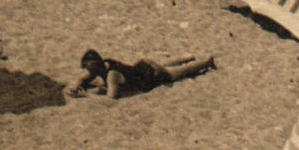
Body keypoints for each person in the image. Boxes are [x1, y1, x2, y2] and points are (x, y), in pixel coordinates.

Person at [67, 49, 215, 100]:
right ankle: (187, 57)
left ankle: (206, 62)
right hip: (141, 67)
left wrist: (85, 95)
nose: (87, 72)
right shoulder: (104, 64)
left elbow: (111, 97)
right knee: (166, 64)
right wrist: (75, 86)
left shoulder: (111, 74)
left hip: (150, 77)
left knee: (176, 73)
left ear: (94, 66)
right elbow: (82, 78)